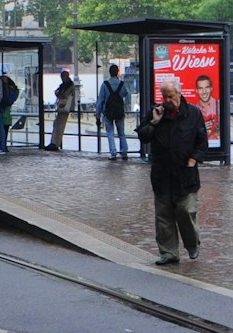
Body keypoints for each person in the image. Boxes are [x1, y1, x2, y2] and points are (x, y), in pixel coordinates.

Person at [134, 79, 205, 266]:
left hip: (185, 175)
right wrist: (154, 122)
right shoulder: (156, 113)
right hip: (162, 174)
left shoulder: (193, 114)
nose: (167, 100)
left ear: (179, 94)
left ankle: (192, 245)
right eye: (164, 96)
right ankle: (169, 252)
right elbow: (143, 135)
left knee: (186, 211)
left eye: (170, 96)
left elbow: (202, 141)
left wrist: (193, 160)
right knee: (163, 215)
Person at [95, 63, 132, 159]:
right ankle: (124, 152)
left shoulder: (105, 85)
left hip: (108, 112)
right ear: (117, 72)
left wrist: (98, 114)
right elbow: (125, 95)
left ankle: (113, 153)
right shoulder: (122, 84)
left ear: (109, 73)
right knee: (121, 133)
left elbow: (100, 101)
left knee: (110, 133)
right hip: (119, 112)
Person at [0, 68, 19, 153]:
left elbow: (10, 98)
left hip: (4, 110)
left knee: (2, 129)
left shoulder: (9, 89)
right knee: (2, 129)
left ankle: (2, 146)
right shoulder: (9, 89)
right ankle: (2, 145)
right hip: (5, 110)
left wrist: (4, 104)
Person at [48, 69, 77, 150]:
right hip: (62, 107)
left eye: (63, 77)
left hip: (64, 107)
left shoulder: (69, 85)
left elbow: (63, 94)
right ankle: (54, 142)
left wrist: (59, 94)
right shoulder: (65, 85)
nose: (62, 78)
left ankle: (55, 143)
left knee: (59, 125)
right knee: (57, 124)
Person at [193, 74, 222, 146]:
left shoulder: (219, 105)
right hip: (199, 146)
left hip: (215, 145)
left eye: (207, 87)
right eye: (200, 88)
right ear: (196, 90)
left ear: (211, 88)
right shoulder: (193, 109)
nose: (204, 92)